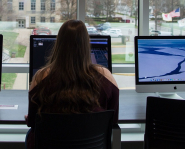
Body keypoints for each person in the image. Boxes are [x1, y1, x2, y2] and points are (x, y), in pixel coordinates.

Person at [25, 19, 119, 149]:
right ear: (86, 45)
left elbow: (32, 123)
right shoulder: (106, 77)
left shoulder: (40, 78)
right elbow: (113, 121)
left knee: (30, 134)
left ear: (58, 44)